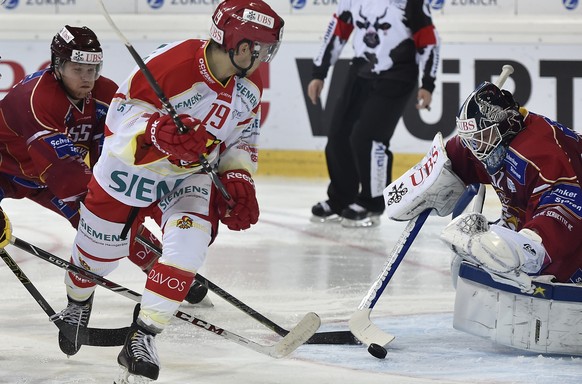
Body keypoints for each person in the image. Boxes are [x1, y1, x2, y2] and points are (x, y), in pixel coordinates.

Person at [53, 1, 284, 382]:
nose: (262, 56)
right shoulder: (173, 64)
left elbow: (243, 136)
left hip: (189, 176)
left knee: (188, 248)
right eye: (258, 48)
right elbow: (120, 116)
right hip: (132, 169)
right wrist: (158, 131)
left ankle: (142, 337)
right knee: (94, 261)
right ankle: (78, 302)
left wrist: (239, 177)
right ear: (237, 43)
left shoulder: (250, 86)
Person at [0, 25, 208, 357]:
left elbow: (109, 156)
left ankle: (159, 268)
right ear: (57, 65)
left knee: (105, 218)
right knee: (100, 217)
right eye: (77, 69)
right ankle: (144, 266)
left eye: (93, 69)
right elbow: (64, 171)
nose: (87, 78)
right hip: (10, 173)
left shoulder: (106, 94)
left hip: (48, 177)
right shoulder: (37, 99)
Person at [385, 80, 582, 293]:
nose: (476, 149)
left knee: (501, 256)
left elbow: (565, 209)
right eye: (472, 141)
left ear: (508, 125)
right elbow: (461, 152)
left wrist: (527, 247)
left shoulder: (542, 154)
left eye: (481, 139)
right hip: (531, 221)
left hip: (571, 243)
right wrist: (428, 176)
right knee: (469, 259)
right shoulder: (493, 140)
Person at [307, 0, 440, 228]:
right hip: (360, 70)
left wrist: (428, 83)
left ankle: (373, 202)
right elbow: (337, 30)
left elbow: (429, 40)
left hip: (398, 75)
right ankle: (341, 198)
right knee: (338, 134)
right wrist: (319, 72)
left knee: (368, 138)